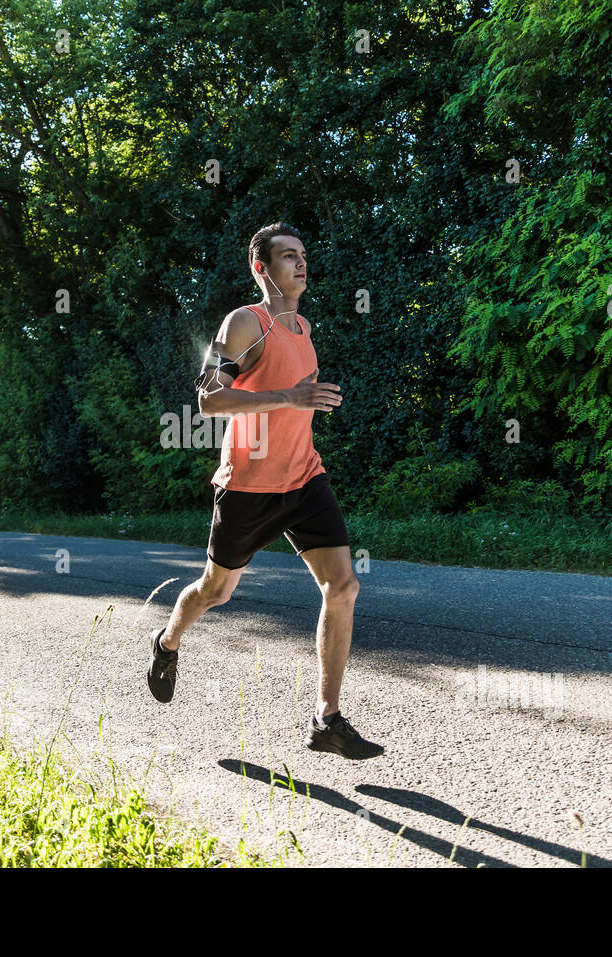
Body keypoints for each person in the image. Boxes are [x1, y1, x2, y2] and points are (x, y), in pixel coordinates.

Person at [146, 221, 383, 759]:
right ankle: (167, 642)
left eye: (303, 255)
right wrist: (289, 398)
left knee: (343, 587)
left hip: (304, 477)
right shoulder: (245, 323)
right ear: (261, 267)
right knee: (216, 591)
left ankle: (327, 720)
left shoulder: (301, 329)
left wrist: (299, 407)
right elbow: (208, 401)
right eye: (287, 257)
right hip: (249, 485)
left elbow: (297, 405)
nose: (301, 264)